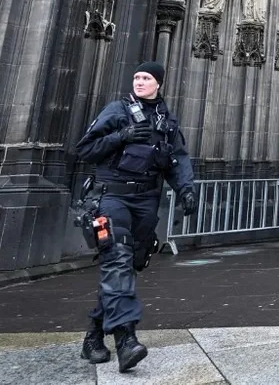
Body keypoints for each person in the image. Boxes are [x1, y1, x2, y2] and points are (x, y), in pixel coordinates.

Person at [75, 62, 198, 372]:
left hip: (145, 200)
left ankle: (92, 338)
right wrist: (122, 135)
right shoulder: (117, 110)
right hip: (111, 196)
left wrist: (186, 190)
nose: (140, 82)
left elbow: (177, 159)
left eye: (146, 78)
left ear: (158, 83)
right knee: (116, 258)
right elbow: (85, 149)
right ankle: (126, 338)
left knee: (129, 264)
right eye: (137, 77)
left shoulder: (166, 120)